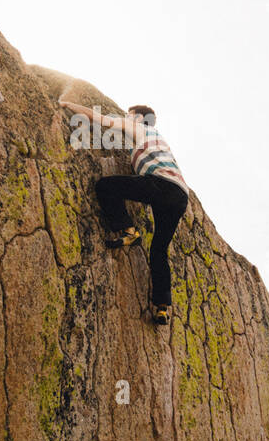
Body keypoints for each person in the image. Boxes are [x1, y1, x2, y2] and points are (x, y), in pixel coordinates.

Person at [58, 96, 189, 325]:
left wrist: (70, 106)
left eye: (129, 114)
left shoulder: (137, 126)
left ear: (138, 117)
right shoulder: (158, 138)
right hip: (179, 196)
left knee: (105, 186)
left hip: (161, 185)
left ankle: (128, 230)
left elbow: (102, 120)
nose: (126, 117)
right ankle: (162, 306)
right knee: (159, 250)